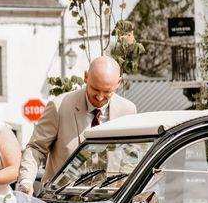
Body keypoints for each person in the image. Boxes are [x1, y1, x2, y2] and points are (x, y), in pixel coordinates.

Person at [17, 55, 136, 195]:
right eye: (95, 89)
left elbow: (130, 155)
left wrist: (125, 186)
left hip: (107, 200)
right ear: (86, 77)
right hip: (59, 198)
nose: (100, 97)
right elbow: (36, 148)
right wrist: (26, 181)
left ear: (119, 83)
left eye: (107, 92)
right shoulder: (59, 107)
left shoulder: (128, 110)